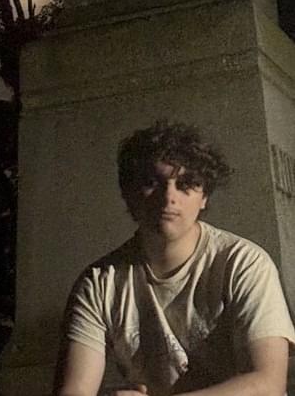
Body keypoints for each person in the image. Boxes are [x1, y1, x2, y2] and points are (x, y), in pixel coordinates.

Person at [55, 122, 295, 396]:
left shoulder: (244, 263)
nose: (169, 197)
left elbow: (268, 384)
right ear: (129, 194)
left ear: (204, 197)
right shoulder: (99, 283)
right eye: (151, 183)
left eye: (184, 184)